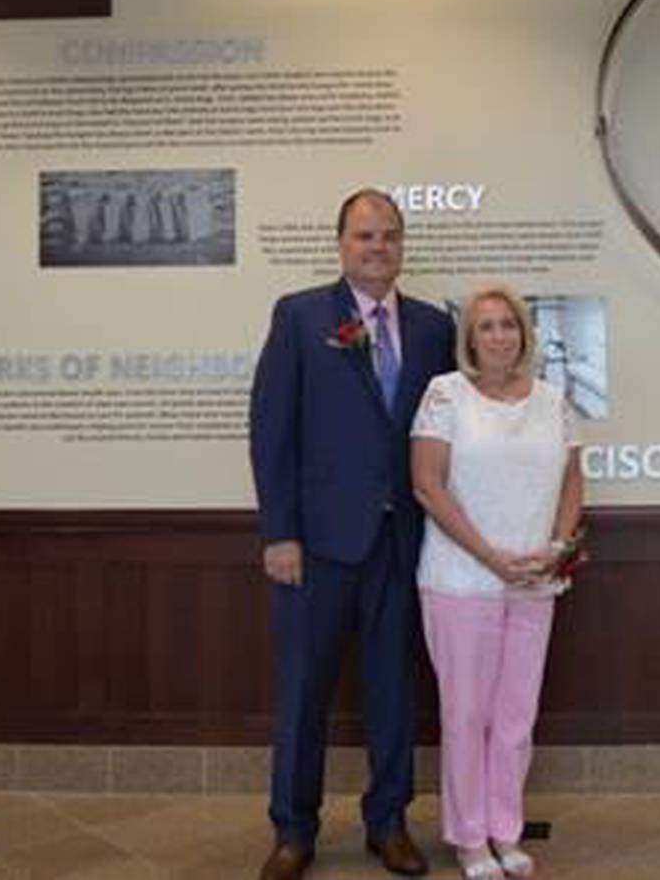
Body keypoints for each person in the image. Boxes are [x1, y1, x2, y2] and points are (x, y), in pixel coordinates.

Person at [250, 188, 456, 880]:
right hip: (317, 548)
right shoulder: (301, 316)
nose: (379, 248)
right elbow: (271, 430)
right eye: (366, 236)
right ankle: (293, 831)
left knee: (394, 692)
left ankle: (389, 823)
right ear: (341, 243)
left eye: (390, 236)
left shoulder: (431, 328)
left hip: (404, 544)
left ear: (403, 245)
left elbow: (444, 435)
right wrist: (280, 532)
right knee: (303, 694)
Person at [410, 284, 584, 880]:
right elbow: (427, 485)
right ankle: (468, 837)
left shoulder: (554, 401)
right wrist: (489, 556)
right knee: (467, 714)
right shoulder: (444, 396)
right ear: (469, 339)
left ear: (524, 334)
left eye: (508, 324)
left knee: (516, 716)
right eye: (485, 326)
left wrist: (557, 547)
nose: (499, 336)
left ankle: (505, 830)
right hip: (460, 580)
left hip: (534, 581)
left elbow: (571, 483)